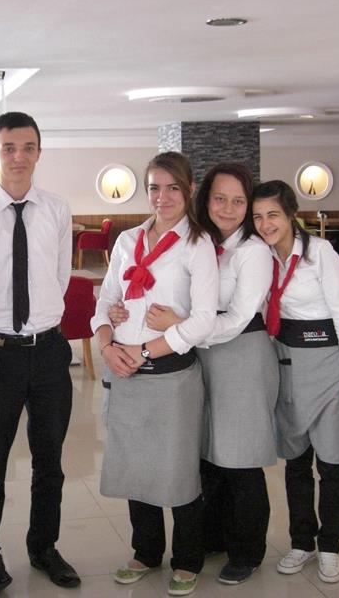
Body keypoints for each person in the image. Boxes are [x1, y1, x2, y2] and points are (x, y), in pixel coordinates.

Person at [108, 163, 277, 585]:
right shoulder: (203, 241)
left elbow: (235, 320)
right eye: (220, 198)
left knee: (239, 458)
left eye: (238, 201)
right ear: (205, 197)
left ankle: (246, 552)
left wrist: (179, 326)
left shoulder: (251, 251)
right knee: (205, 456)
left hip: (239, 355)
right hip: (199, 355)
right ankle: (212, 538)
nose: (227, 208)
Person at [91, 151, 217, 596]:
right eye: (154, 188)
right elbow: (105, 301)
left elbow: (203, 321)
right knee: (136, 467)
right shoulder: (128, 240)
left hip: (171, 376)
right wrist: (107, 345)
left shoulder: (198, 245)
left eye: (172, 188)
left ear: (189, 190)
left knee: (178, 470)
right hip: (126, 372)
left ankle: (187, 559)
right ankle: (145, 552)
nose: (162, 197)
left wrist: (142, 349)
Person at [0, 112, 79, 593]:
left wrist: (40, 323)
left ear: (38, 152)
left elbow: (60, 276)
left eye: (28, 147)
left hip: (49, 350)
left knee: (49, 460)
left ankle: (44, 547)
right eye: (8, 148)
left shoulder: (56, 209)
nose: (18, 157)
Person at [251, 179, 339, 584]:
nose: (266, 224)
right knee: (296, 462)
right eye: (258, 217)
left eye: (273, 215)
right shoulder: (260, 254)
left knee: (331, 463)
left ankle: (330, 546)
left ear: (291, 214)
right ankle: (302, 542)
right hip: (286, 361)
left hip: (329, 361)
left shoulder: (319, 253)